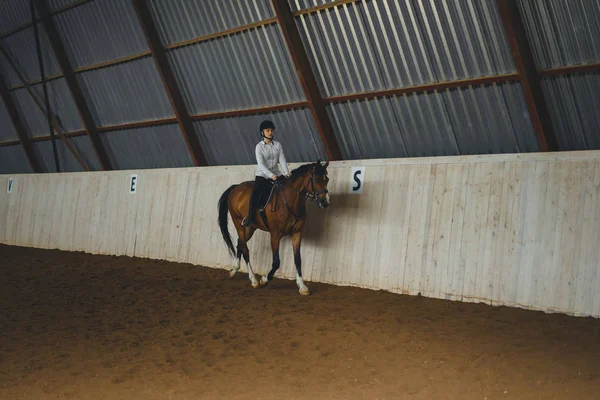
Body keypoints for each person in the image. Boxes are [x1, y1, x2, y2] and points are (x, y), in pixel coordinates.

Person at [242, 120, 290, 227]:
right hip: (263, 175)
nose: (270, 132)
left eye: (272, 130)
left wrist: (286, 173)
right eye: (268, 130)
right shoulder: (259, 147)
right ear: (262, 133)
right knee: (255, 193)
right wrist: (271, 175)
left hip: (276, 173)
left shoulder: (278, 145)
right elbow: (261, 165)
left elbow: (282, 159)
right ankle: (250, 216)